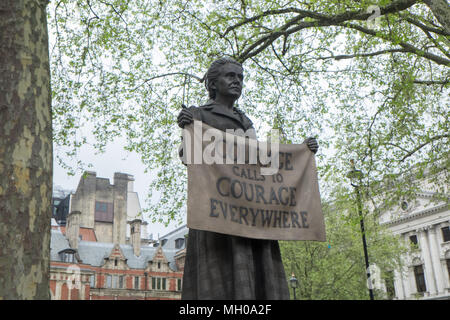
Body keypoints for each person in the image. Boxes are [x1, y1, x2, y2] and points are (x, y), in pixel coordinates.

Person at [177, 57, 318, 299]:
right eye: (230, 76)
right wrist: (188, 130)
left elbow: (262, 164)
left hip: (251, 214)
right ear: (213, 83)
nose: (237, 82)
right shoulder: (199, 115)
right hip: (216, 215)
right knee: (220, 281)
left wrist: (302, 152)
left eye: (240, 78)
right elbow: (187, 156)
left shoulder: (246, 122)